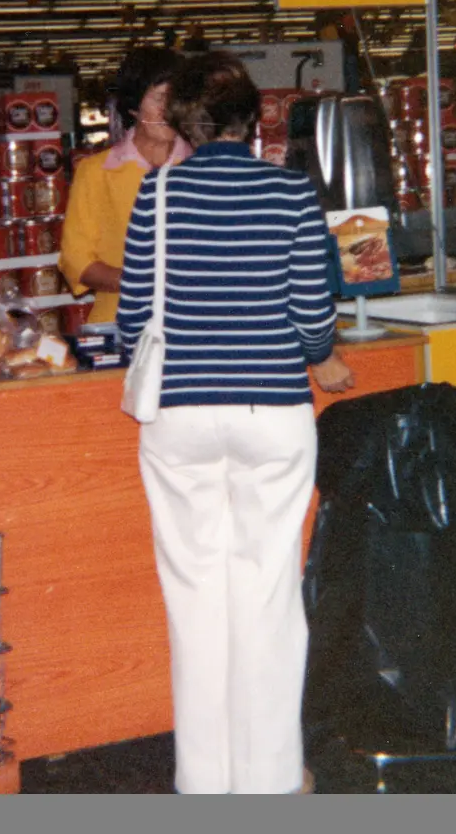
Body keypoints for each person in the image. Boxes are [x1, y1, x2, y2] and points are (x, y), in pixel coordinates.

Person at [116, 51, 355, 794]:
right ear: (256, 122)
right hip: (270, 412)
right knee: (266, 594)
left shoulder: (154, 196)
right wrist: (321, 358)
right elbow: (312, 317)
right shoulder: (290, 195)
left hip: (178, 418)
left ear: (186, 121)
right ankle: (273, 779)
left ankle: (202, 780)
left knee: (193, 595)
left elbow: (131, 326)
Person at [59, 47, 191, 324]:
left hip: (194, 327)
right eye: (159, 99)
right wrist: (141, 283)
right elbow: (77, 261)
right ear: (133, 103)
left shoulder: (203, 167)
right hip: (119, 324)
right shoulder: (95, 172)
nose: (169, 110)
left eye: (178, 99)